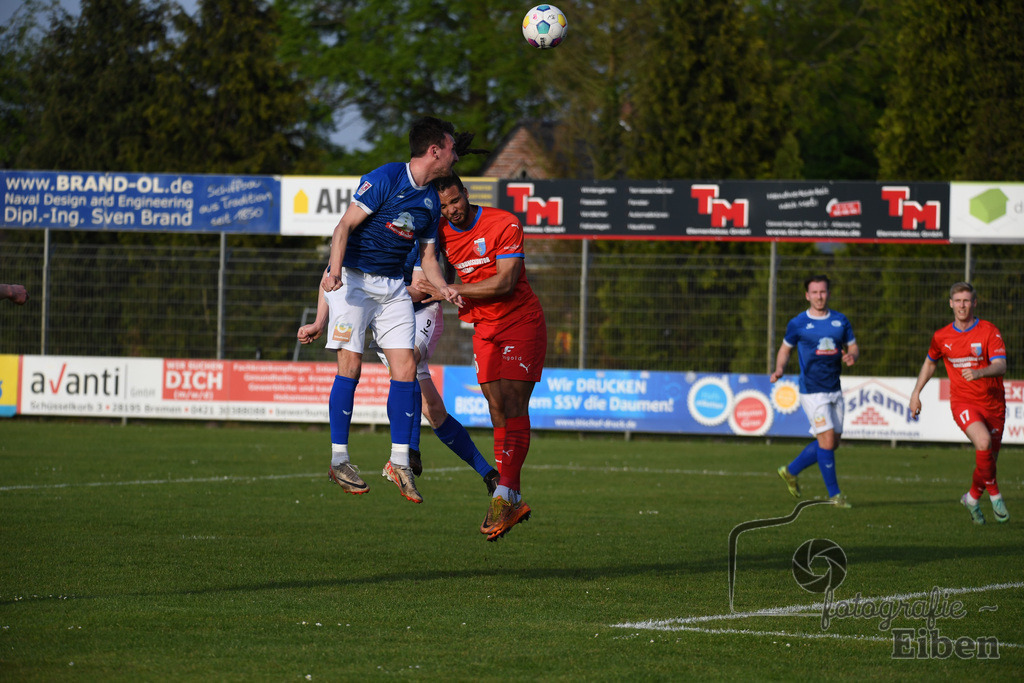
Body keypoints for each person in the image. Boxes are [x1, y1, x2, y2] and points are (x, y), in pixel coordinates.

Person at [303, 115, 462, 505]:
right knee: (351, 368)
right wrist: (336, 270)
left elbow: (427, 256)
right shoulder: (387, 177)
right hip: (354, 281)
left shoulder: (429, 200)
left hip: (392, 288)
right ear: (435, 150)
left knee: (406, 367)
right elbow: (343, 228)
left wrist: (443, 287)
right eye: (452, 147)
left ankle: (399, 461)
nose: (456, 154)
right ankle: (339, 459)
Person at [300, 242, 499, 495]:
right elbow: (331, 272)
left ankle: (409, 453)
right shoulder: (363, 225)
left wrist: (381, 291)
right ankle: (489, 475)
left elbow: (419, 291)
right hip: (386, 311)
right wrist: (320, 320)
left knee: (408, 364)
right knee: (433, 411)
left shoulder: (416, 224)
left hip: (420, 311)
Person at [424, 173, 547, 541]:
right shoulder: (440, 231)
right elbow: (427, 265)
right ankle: (512, 497)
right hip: (484, 329)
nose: (451, 211)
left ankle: (503, 495)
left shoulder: (504, 222)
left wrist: (452, 288)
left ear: (465, 192)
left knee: (512, 403)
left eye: (454, 201)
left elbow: (507, 282)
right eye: (443, 206)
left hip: (521, 322)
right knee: (496, 409)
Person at [908, 282, 1009, 525]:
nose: (962, 305)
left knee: (989, 458)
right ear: (950, 303)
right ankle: (995, 495)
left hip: (994, 403)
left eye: (967, 301)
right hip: (963, 402)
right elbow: (930, 362)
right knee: (983, 442)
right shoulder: (941, 336)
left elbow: (1001, 365)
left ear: (974, 303)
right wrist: (916, 392)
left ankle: (972, 498)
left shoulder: (988, 331)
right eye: (958, 301)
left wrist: (980, 372)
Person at [771, 275, 859, 507]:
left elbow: (853, 345)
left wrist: (852, 355)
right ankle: (836, 496)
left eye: (823, 292)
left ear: (828, 294)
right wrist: (779, 368)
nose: (819, 296)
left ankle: (790, 471)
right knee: (827, 441)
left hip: (834, 389)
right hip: (812, 391)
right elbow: (785, 349)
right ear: (807, 295)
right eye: (815, 292)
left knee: (832, 443)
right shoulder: (798, 323)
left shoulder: (841, 321)